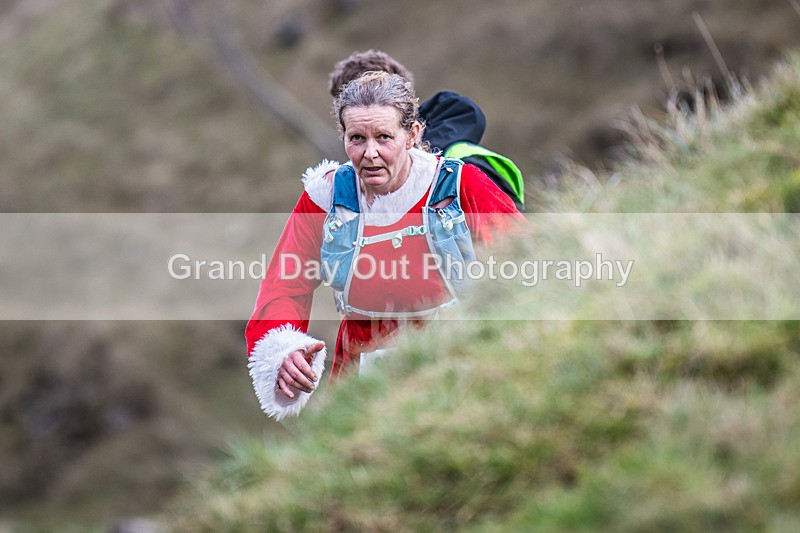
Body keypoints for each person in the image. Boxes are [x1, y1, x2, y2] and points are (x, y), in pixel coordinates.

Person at [246, 72, 523, 420]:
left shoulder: (458, 185)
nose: (370, 153)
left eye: (384, 137)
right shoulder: (326, 196)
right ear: (343, 137)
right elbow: (284, 285)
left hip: (456, 360)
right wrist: (283, 350)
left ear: (413, 135)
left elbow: (527, 261)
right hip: (358, 371)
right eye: (357, 138)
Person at [328, 50, 526, 211]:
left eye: (383, 135)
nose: (370, 151)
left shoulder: (463, 171)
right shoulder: (342, 187)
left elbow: (516, 248)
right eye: (357, 134)